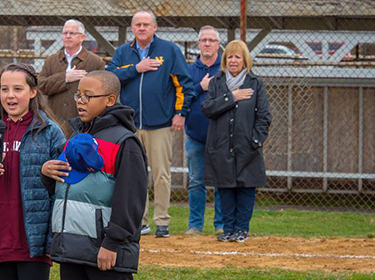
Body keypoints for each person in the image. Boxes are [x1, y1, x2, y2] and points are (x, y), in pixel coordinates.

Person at [41, 70, 147, 280]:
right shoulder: (77, 136)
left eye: (88, 96)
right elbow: (68, 188)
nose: (80, 101)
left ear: (110, 100)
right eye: (78, 95)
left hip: (104, 251)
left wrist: (112, 243)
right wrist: (47, 174)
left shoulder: (125, 142)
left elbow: (130, 199)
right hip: (72, 249)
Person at [0, 63, 65, 279]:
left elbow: (63, 188)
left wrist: (46, 174)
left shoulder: (49, 132)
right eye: (4, 89)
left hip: (33, 241)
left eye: (18, 89)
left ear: (33, 92)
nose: (10, 95)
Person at [106, 10, 195, 238]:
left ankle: (162, 221)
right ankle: (140, 221)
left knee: (161, 174)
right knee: (135, 175)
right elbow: (111, 77)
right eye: (138, 24)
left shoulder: (169, 50)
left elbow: (183, 84)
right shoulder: (123, 52)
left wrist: (179, 113)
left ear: (155, 27)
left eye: (146, 24)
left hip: (160, 124)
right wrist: (137, 68)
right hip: (129, 125)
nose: (142, 28)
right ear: (132, 28)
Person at [201, 40, 271, 243]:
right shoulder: (216, 83)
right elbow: (208, 109)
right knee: (225, 188)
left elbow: (264, 115)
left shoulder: (255, 83)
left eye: (237, 57)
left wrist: (255, 140)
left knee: (245, 188)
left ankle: (242, 229)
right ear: (225, 60)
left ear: (245, 60)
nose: (233, 60)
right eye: (230, 56)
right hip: (221, 146)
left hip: (246, 146)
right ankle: (228, 228)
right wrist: (231, 97)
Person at [184, 26, 224, 235]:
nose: (207, 44)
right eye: (204, 40)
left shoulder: (226, 68)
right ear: (198, 44)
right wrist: (201, 86)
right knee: (196, 181)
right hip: (195, 136)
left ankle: (221, 224)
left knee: (220, 181)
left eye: (212, 40)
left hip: (221, 137)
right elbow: (183, 98)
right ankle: (195, 225)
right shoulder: (189, 70)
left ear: (218, 44)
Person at [38, 19, 105, 136]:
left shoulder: (95, 62)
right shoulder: (51, 60)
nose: (68, 36)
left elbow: (101, 92)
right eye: (65, 33)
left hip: (82, 125)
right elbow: (41, 86)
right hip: (54, 122)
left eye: (72, 33)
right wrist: (65, 78)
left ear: (82, 37)